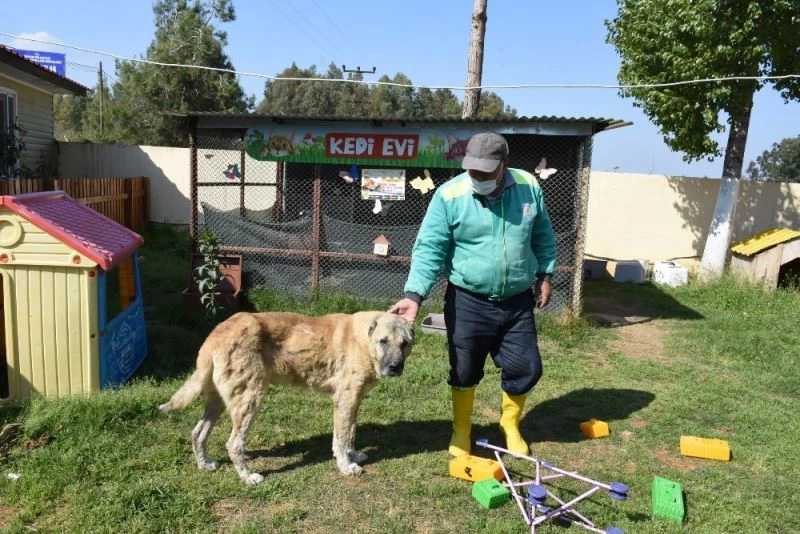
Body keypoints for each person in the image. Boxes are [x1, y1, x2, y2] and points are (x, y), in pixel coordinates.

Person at [389, 132, 557, 457]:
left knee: (527, 366)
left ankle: (510, 424)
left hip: (517, 301)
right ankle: (461, 429)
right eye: (472, 170)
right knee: (464, 368)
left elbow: (542, 235)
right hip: (468, 300)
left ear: (504, 164)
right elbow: (429, 248)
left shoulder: (528, 187)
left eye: (485, 171)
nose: (476, 177)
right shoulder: (449, 195)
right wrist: (414, 294)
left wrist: (545, 274)